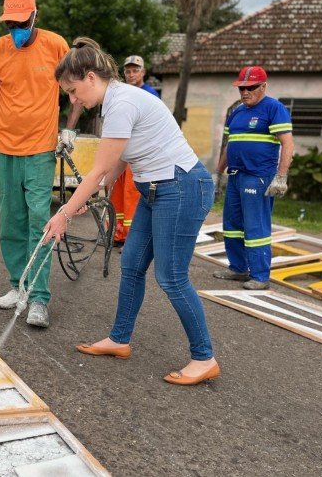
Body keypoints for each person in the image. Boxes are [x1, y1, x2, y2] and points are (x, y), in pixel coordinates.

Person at [44, 37, 219, 386]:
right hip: (157, 190)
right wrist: (98, 191)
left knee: (171, 277)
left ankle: (204, 357)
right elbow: (121, 158)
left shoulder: (122, 102)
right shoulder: (115, 102)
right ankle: (119, 339)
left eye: (74, 90)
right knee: (133, 264)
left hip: (181, 188)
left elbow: (95, 170)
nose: (73, 99)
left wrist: (64, 212)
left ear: (91, 77)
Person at [0, 0, 83, 328]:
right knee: (11, 223)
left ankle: (38, 299)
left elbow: (76, 91)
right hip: (4, 151)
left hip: (39, 151)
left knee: (40, 222)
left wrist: (69, 129)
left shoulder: (55, 45)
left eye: (21, 23)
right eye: (11, 24)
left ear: (35, 17)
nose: (16, 29)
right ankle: (16, 286)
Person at [213, 66, 293, 289]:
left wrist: (281, 176)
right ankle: (238, 268)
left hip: (258, 177)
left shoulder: (274, 109)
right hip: (236, 176)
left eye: (250, 87)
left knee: (255, 228)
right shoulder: (237, 112)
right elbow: (230, 146)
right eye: (241, 88)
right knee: (232, 225)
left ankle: (259, 276)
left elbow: (287, 143)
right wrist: (217, 174)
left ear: (263, 86)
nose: (245, 92)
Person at [110, 55, 159, 246]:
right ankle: (118, 234)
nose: (131, 74)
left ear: (143, 72)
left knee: (132, 196)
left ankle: (133, 239)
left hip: (138, 153)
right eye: (128, 71)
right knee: (117, 194)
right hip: (121, 150)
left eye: (135, 70)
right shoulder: (122, 93)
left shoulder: (150, 94)